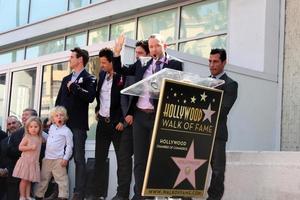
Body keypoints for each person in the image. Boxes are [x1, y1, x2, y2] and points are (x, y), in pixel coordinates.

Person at [113, 34, 183, 200]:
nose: (153, 50)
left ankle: (159, 193)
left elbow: (176, 90)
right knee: (140, 159)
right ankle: (141, 195)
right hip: (140, 116)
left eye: (156, 46)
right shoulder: (143, 63)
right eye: (151, 47)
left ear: (164, 45)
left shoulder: (174, 64)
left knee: (157, 158)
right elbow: (123, 70)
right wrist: (117, 54)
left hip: (158, 117)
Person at [55, 47, 97, 200]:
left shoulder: (89, 78)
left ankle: (79, 192)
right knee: (60, 158)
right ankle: (60, 191)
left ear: (80, 59)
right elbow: (59, 101)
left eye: (72, 57)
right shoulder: (66, 78)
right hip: (62, 126)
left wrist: (74, 86)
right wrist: (54, 119)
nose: (69, 59)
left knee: (79, 159)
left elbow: (90, 97)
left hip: (78, 126)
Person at [92, 47, 128, 200]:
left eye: (104, 62)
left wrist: (122, 120)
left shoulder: (121, 76)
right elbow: (100, 96)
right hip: (102, 124)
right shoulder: (101, 75)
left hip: (116, 125)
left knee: (122, 161)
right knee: (99, 160)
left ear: (112, 62)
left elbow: (125, 99)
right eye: (101, 62)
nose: (102, 65)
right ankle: (97, 194)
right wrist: (97, 109)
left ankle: (122, 195)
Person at [206, 49, 238, 200]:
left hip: (217, 134)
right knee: (190, 165)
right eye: (210, 61)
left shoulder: (231, 84)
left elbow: (223, 109)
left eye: (216, 61)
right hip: (198, 132)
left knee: (218, 171)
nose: (212, 65)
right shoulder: (202, 82)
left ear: (224, 62)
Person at [35, 106, 73, 200]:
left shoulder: (67, 131)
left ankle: (63, 196)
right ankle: (39, 195)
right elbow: (49, 139)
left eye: (61, 115)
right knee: (43, 178)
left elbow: (69, 146)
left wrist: (65, 158)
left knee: (61, 179)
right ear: (53, 119)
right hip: (47, 158)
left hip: (58, 159)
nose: (59, 117)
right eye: (56, 116)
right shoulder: (51, 127)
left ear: (65, 118)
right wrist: (41, 132)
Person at [7, 108, 39, 200]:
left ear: (34, 117)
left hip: (32, 171)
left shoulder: (41, 134)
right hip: (15, 173)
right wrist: (25, 152)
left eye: (26, 114)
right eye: (23, 114)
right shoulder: (16, 133)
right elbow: (9, 152)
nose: (23, 117)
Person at [12, 116, 43, 200]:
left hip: (33, 162)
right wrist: (30, 147)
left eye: (36, 127)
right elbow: (20, 147)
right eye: (31, 127)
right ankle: (22, 196)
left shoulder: (40, 138)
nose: (33, 129)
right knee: (24, 180)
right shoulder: (27, 137)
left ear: (40, 128)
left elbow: (48, 139)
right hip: (26, 162)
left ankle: (27, 196)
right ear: (28, 128)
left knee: (29, 180)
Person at [0, 116, 22, 199]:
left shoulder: (24, 138)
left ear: (19, 124)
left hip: (17, 178)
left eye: (14, 123)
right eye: (9, 124)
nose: (11, 125)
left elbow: (20, 156)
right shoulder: (3, 141)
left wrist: (7, 170)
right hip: (3, 179)